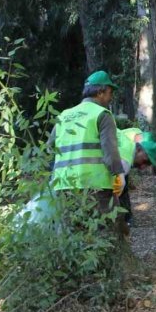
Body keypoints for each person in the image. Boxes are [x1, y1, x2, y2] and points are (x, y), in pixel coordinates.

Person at [51, 71, 126, 231]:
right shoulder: (102, 115)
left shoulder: (64, 116)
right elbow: (110, 152)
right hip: (95, 187)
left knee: (73, 234)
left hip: (64, 186)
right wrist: (119, 175)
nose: (110, 98)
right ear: (100, 92)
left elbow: (50, 146)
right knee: (102, 233)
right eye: (109, 93)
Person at [116, 128, 156, 226]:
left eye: (147, 164)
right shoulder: (126, 155)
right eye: (145, 161)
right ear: (139, 149)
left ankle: (126, 219)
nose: (143, 167)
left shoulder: (133, 135)